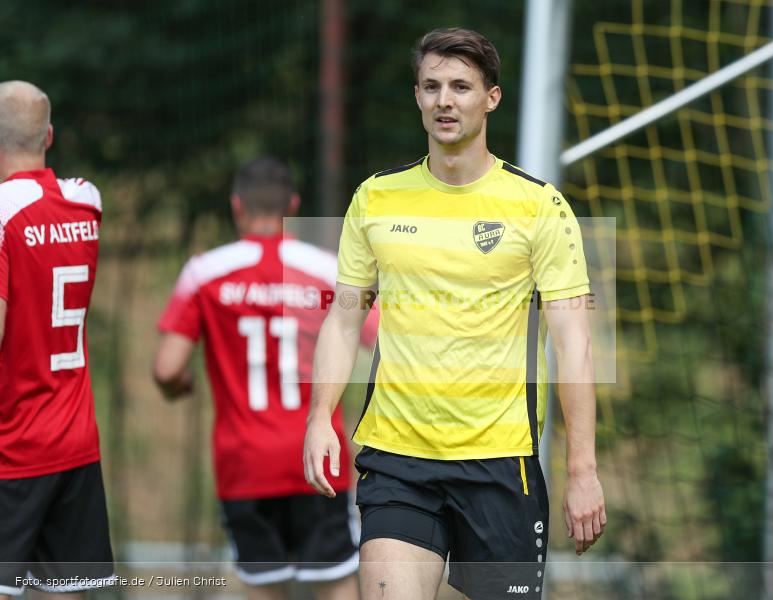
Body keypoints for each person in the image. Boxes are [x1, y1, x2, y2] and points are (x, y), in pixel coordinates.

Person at [304, 28, 606, 600]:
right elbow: (344, 321)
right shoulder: (376, 198)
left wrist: (583, 469)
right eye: (432, 86)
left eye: (461, 87)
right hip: (398, 461)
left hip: (500, 466)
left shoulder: (539, 206)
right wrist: (321, 415)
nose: (445, 100)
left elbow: (574, 345)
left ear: (491, 97)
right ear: (417, 97)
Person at [153, 156, 377, 600]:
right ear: (292, 205)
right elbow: (382, 340)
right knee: (335, 580)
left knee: (262, 585)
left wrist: (181, 387)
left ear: (236, 206)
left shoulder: (205, 273)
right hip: (318, 457)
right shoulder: (327, 268)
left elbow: (167, 368)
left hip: (244, 463)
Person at [0, 81, 114, 599]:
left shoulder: (3, 216)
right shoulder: (85, 202)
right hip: (74, 442)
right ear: (49, 135)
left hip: (12, 445)